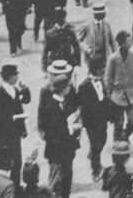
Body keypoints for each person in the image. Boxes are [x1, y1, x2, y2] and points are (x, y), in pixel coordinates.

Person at [36, 60, 82, 198]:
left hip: (68, 145)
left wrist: (76, 128)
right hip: (56, 146)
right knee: (55, 179)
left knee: (67, 176)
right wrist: (43, 132)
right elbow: (42, 115)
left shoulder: (71, 89)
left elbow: (74, 107)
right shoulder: (46, 92)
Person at [0, 61, 31, 188]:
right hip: (3, 134)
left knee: (17, 162)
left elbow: (26, 100)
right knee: (6, 164)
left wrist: (25, 90)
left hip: (15, 133)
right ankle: (6, 189)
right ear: (10, 77)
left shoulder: (15, 90)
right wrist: (12, 117)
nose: (17, 77)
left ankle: (15, 188)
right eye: (15, 75)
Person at [76, 58, 115, 182]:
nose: (103, 70)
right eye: (101, 69)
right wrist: (84, 123)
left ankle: (93, 155)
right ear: (94, 70)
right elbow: (82, 106)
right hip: (91, 122)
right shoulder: (84, 86)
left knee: (102, 140)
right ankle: (95, 169)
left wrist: (110, 115)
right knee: (95, 144)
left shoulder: (102, 81)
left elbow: (104, 99)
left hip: (102, 119)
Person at [105, 31, 133, 141]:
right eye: (128, 40)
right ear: (122, 43)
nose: (131, 42)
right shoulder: (113, 58)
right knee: (119, 122)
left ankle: (125, 136)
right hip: (117, 96)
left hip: (132, 94)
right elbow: (108, 78)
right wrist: (108, 96)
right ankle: (117, 142)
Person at [78, 4, 116, 76]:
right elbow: (79, 40)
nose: (105, 14)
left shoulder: (106, 24)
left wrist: (115, 54)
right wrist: (86, 48)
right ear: (97, 14)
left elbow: (112, 41)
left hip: (104, 55)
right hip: (92, 56)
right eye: (103, 13)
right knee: (92, 75)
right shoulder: (88, 25)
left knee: (105, 74)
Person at [42, 8, 81, 75]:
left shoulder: (70, 31)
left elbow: (76, 47)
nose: (61, 20)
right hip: (54, 63)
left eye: (62, 17)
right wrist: (44, 65)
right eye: (58, 18)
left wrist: (77, 64)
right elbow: (46, 50)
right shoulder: (50, 33)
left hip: (68, 62)